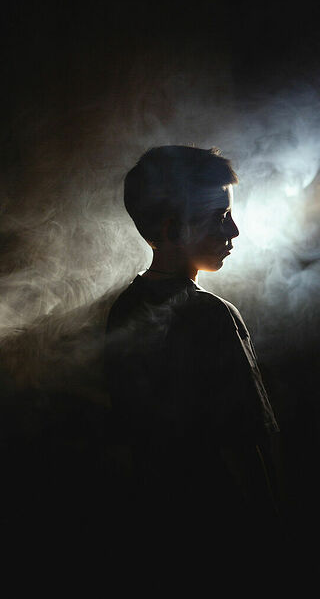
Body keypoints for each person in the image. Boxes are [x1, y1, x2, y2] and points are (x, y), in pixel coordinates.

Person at [104, 146, 282, 574]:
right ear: (172, 228)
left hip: (158, 528)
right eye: (220, 216)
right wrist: (275, 531)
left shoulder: (123, 309)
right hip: (226, 529)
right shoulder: (212, 315)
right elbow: (245, 442)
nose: (234, 229)